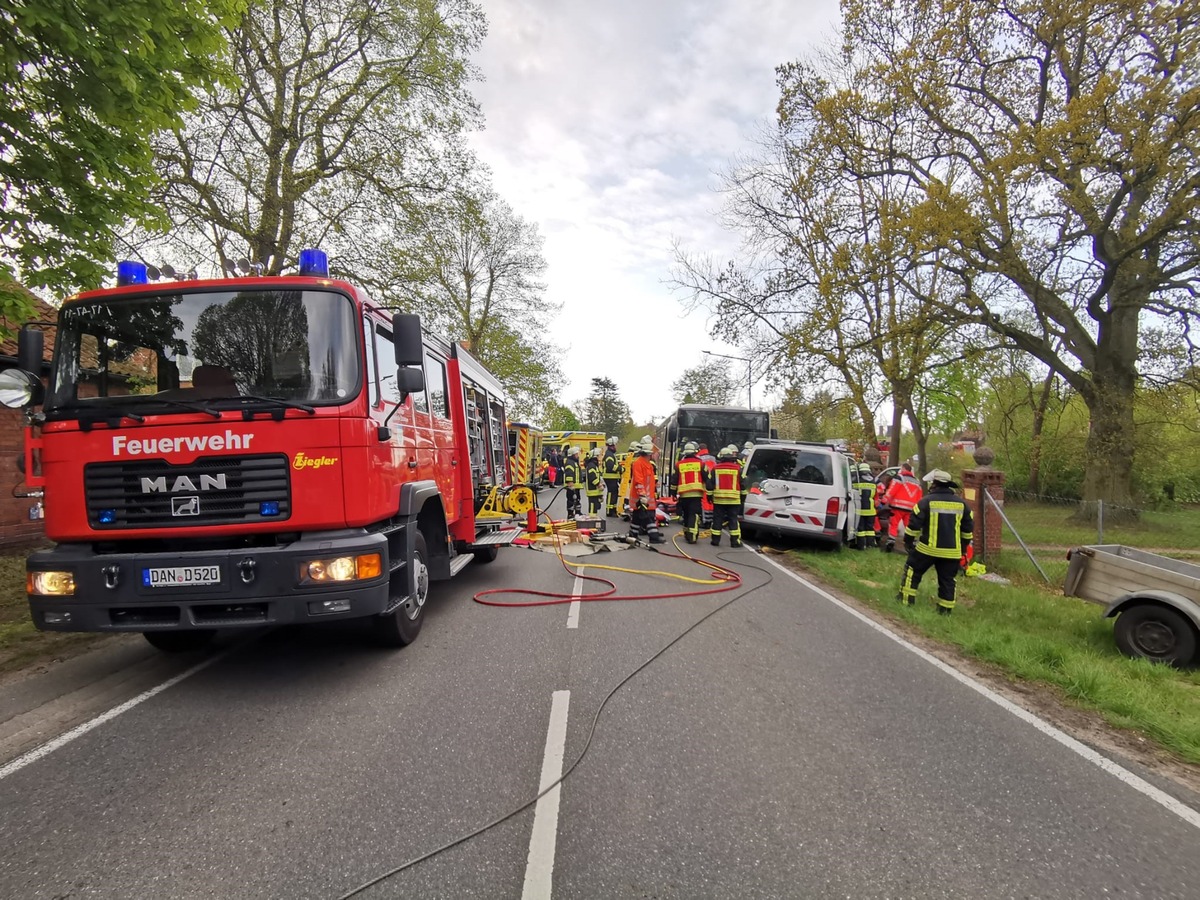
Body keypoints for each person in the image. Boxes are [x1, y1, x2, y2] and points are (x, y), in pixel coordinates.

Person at [897, 469, 974, 615]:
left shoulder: (925, 502)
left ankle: (905, 600)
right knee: (947, 580)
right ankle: (945, 611)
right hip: (952, 552)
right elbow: (967, 531)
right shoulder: (962, 505)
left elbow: (913, 526)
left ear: (935, 484)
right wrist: (962, 550)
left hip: (928, 549)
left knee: (912, 571)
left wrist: (908, 542)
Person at [707, 445, 744, 547]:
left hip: (719, 500)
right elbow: (743, 484)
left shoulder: (715, 468)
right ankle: (735, 542)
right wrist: (743, 498)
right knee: (733, 520)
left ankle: (715, 540)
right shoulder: (738, 468)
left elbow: (710, 484)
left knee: (717, 520)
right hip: (734, 500)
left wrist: (709, 497)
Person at [627, 441, 664, 543]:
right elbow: (639, 481)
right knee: (649, 517)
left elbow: (649, 481)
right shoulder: (638, 463)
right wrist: (642, 495)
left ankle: (633, 534)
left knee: (637, 516)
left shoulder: (647, 464)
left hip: (647, 497)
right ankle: (654, 537)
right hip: (642, 497)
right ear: (649, 454)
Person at [882, 463, 922, 552]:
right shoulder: (917, 481)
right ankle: (912, 543)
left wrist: (884, 500)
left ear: (903, 469)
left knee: (894, 524)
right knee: (908, 526)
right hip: (911, 508)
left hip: (897, 506)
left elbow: (892, 490)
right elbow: (919, 497)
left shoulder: (899, 478)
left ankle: (891, 542)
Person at [671, 441, 706, 544]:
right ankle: (692, 536)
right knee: (693, 514)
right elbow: (706, 478)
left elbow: (674, 480)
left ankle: (687, 533)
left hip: (683, 494)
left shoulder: (678, 464)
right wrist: (709, 493)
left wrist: (673, 493)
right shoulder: (701, 463)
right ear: (695, 452)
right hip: (696, 494)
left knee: (686, 513)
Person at [853, 462, 877, 549]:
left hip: (860, 509)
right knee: (870, 529)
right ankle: (870, 545)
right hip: (871, 509)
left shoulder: (856, 480)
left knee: (861, 529)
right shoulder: (874, 481)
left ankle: (861, 546)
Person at [603, 436, 622, 517]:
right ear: (611, 446)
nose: (616, 447)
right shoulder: (609, 455)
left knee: (614, 493)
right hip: (610, 477)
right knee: (611, 493)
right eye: (615, 445)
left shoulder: (610, 454)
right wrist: (620, 469)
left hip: (612, 477)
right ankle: (609, 511)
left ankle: (613, 510)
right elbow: (611, 466)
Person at [562, 446, 583, 518]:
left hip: (576, 486)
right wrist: (570, 483)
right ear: (572, 455)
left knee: (577, 499)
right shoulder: (570, 463)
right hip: (572, 486)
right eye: (576, 454)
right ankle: (570, 514)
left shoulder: (574, 462)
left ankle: (578, 512)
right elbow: (569, 473)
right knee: (571, 500)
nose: (578, 455)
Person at [585, 448, 604, 515]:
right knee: (593, 507)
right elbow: (592, 478)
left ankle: (593, 518)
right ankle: (592, 520)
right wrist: (599, 485)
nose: (600, 457)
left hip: (595, 491)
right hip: (592, 491)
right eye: (599, 455)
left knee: (595, 507)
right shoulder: (591, 466)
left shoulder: (594, 465)